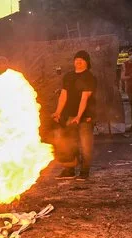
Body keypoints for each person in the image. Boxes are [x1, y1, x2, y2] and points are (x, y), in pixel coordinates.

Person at [52, 50, 97, 181]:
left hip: (85, 116)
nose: (78, 61)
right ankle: (69, 170)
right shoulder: (68, 76)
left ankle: (84, 171)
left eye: (81, 59)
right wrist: (58, 112)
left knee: (85, 145)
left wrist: (79, 116)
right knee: (68, 144)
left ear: (87, 62)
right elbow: (63, 95)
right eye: (76, 59)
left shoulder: (89, 77)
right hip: (70, 115)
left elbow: (85, 97)